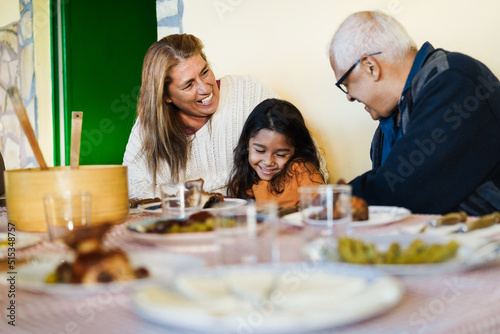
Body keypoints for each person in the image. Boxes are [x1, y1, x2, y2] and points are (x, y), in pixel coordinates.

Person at [329, 11, 500, 215]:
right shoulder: (387, 125)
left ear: (370, 67)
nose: (349, 96)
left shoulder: (453, 79)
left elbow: (401, 190)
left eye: (346, 84)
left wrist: (332, 201)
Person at [123, 34, 280, 198]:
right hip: (183, 220)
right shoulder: (148, 127)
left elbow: (300, 148)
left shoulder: (247, 91)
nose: (205, 89)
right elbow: (131, 189)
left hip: (250, 213)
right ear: (166, 96)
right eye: (189, 85)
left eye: (204, 72)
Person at [227, 98, 326, 207]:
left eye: (280, 155)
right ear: (247, 143)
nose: (268, 162)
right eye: (260, 151)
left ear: (296, 149)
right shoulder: (243, 181)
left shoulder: (301, 170)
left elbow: (322, 206)